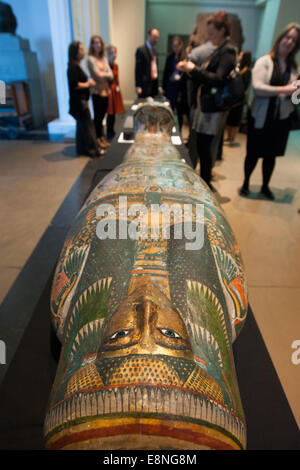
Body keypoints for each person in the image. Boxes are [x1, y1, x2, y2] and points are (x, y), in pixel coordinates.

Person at [177, 11, 237, 191]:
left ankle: (204, 183)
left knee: (205, 146)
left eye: (212, 33)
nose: (210, 37)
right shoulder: (222, 49)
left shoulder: (228, 50)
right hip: (207, 106)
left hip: (213, 108)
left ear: (222, 30)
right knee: (202, 145)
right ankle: (203, 181)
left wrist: (193, 70)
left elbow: (218, 78)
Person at [240, 23, 300, 200]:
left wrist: (296, 93)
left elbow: (295, 98)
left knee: (271, 155)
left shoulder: (294, 67)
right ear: (280, 38)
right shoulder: (264, 61)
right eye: (287, 37)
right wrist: (286, 89)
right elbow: (258, 89)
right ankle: (245, 183)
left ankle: (265, 186)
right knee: (253, 154)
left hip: (280, 119)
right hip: (260, 117)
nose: (289, 42)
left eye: (294, 40)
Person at [67, 41, 102, 158]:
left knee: (82, 127)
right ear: (75, 53)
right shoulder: (72, 67)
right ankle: (93, 150)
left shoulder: (75, 66)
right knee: (88, 127)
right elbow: (74, 84)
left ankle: (82, 149)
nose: (83, 51)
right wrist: (88, 84)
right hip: (79, 103)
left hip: (80, 102)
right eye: (81, 49)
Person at [87, 35, 113, 150]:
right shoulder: (91, 59)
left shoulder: (103, 59)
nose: (98, 45)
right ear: (92, 45)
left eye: (100, 43)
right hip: (97, 92)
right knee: (98, 117)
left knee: (103, 116)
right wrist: (104, 75)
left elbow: (111, 75)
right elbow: (97, 75)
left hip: (105, 92)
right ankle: (97, 139)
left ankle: (102, 138)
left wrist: (104, 75)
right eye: (96, 43)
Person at [224, 50, 252, 145]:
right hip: (232, 98)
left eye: (241, 55)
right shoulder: (237, 68)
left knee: (235, 119)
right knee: (230, 118)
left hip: (239, 99)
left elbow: (245, 86)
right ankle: (228, 137)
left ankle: (232, 138)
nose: (239, 56)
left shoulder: (247, 71)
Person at [162, 36, 189, 133]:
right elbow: (166, 73)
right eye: (173, 46)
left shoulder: (185, 58)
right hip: (171, 87)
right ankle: (169, 131)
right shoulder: (170, 57)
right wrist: (164, 88)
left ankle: (179, 132)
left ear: (181, 45)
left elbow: (186, 75)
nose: (175, 48)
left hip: (180, 88)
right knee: (169, 110)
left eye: (177, 46)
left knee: (180, 112)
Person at [106, 45, 125, 141]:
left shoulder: (116, 65)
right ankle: (108, 132)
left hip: (115, 90)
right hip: (109, 90)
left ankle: (112, 130)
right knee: (110, 112)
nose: (115, 55)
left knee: (114, 113)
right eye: (113, 52)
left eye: (115, 52)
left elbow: (117, 79)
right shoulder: (107, 65)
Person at [135, 28, 160, 98]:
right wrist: (138, 86)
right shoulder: (141, 50)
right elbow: (138, 69)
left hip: (153, 84)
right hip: (144, 85)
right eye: (154, 37)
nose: (156, 40)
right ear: (148, 36)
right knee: (144, 106)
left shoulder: (155, 51)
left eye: (157, 38)